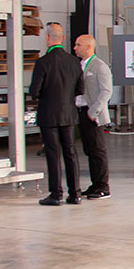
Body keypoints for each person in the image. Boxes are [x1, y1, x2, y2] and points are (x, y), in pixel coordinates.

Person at [29, 22, 83, 206]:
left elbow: (34, 91)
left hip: (49, 114)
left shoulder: (43, 62)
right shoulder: (74, 62)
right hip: (68, 113)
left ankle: (56, 194)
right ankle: (75, 193)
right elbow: (80, 88)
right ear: (63, 38)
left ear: (47, 38)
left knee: (53, 154)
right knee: (70, 152)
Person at [74, 34, 113, 200]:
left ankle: (103, 186)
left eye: (78, 45)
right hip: (81, 112)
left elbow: (106, 91)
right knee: (89, 150)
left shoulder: (99, 66)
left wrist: (94, 111)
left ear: (89, 47)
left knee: (97, 150)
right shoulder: (80, 65)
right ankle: (95, 184)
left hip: (93, 115)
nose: (75, 48)